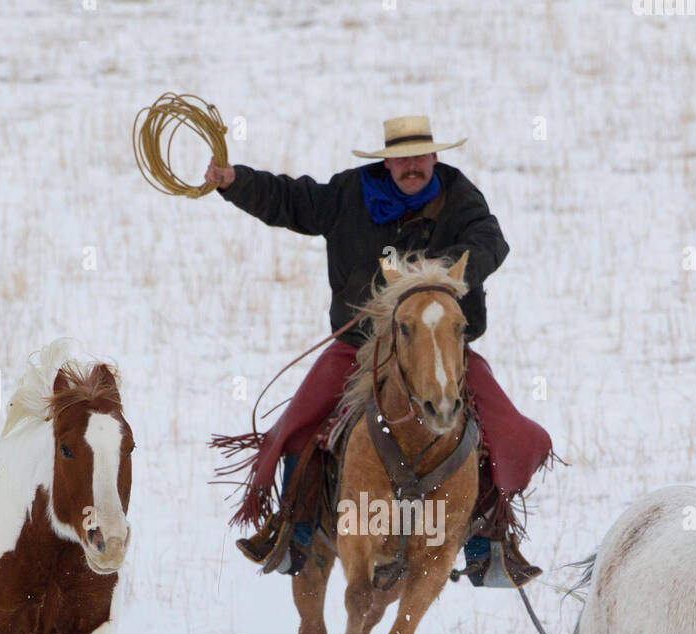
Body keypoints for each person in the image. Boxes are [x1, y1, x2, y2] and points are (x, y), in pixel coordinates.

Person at [207, 115, 552, 587]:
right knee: (299, 427)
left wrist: (442, 273)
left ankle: (487, 542)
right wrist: (235, 182)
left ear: (435, 157)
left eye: (420, 156)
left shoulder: (460, 197)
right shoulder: (350, 195)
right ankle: (293, 531)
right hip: (359, 345)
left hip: (438, 345)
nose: (412, 166)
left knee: (502, 428)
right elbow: (293, 201)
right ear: (387, 162)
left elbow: (492, 241)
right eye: (402, 158)